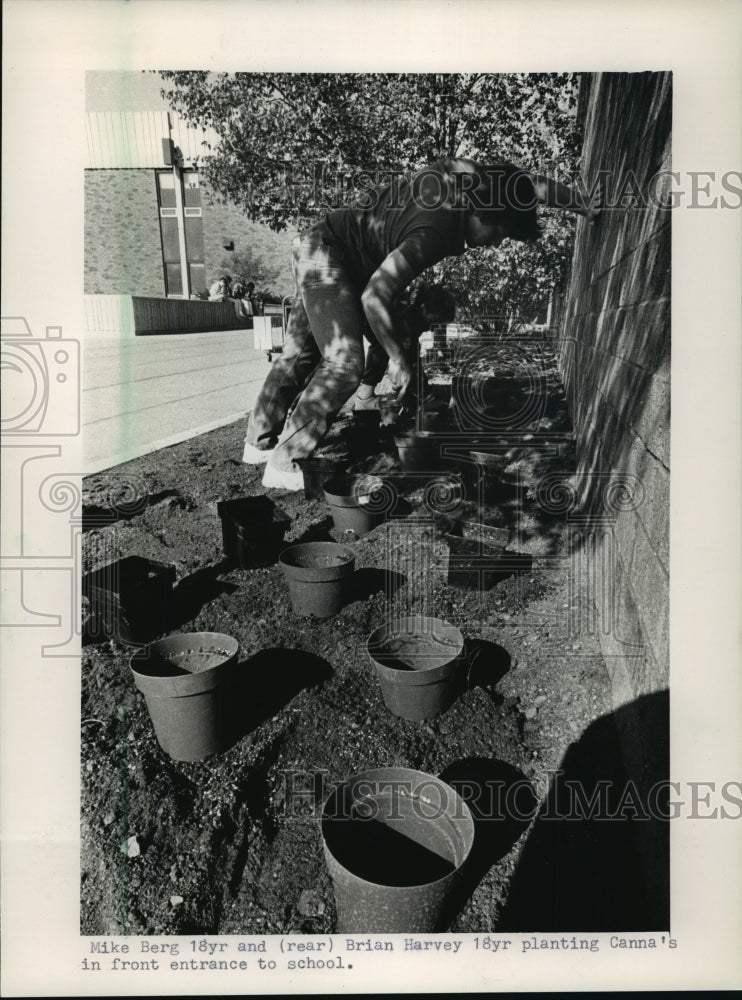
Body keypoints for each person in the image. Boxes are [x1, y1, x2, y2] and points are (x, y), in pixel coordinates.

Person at [242, 157, 601, 490]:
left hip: (320, 244)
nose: (493, 243)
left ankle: (258, 442)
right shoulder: (437, 233)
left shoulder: (467, 175)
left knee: (298, 354)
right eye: (498, 233)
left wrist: (578, 202)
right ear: (483, 211)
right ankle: (286, 463)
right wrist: (398, 360)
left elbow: (526, 185)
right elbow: (374, 296)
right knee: (345, 363)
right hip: (331, 255)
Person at [354, 283, 456, 412]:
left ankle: (420, 395)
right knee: (382, 348)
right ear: (425, 308)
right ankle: (364, 397)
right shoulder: (406, 313)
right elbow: (396, 345)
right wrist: (399, 367)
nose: (433, 326)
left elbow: (413, 350)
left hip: (396, 329)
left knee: (412, 353)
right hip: (371, 319)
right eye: (434, 321)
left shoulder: (422, 316)